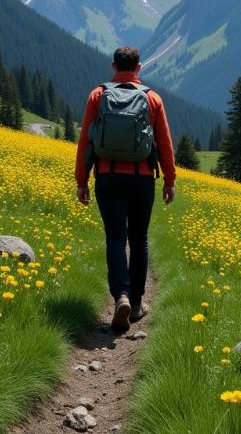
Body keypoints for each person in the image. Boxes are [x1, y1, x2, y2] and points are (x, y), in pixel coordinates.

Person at [75, 45, 176, 331]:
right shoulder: (152, 98)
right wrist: (170, 180)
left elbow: (86, 142)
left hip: (107, 177)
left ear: (113, 66)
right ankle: (137, 302)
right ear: (138, 68)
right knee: (139, 239)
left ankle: (120, 296)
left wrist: (81, 181)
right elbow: (165, 144)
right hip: (142, 179)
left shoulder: (98, 96)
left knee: (116, 239)